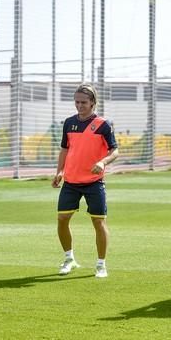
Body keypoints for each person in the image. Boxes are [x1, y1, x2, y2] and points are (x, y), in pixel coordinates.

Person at [51, 83, 119, 278]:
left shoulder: (103, 125)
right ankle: (69, 259)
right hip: (71, 181)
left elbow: (115, 151)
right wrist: (59, 172)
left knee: (98, 222)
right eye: (77, 102)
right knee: (62, 219)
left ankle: (101, 264)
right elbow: (65, 149)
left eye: (84, 102)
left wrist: (103, 162)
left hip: (94, 182)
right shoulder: (68, 123)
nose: (79, 106)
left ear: (93, 103)